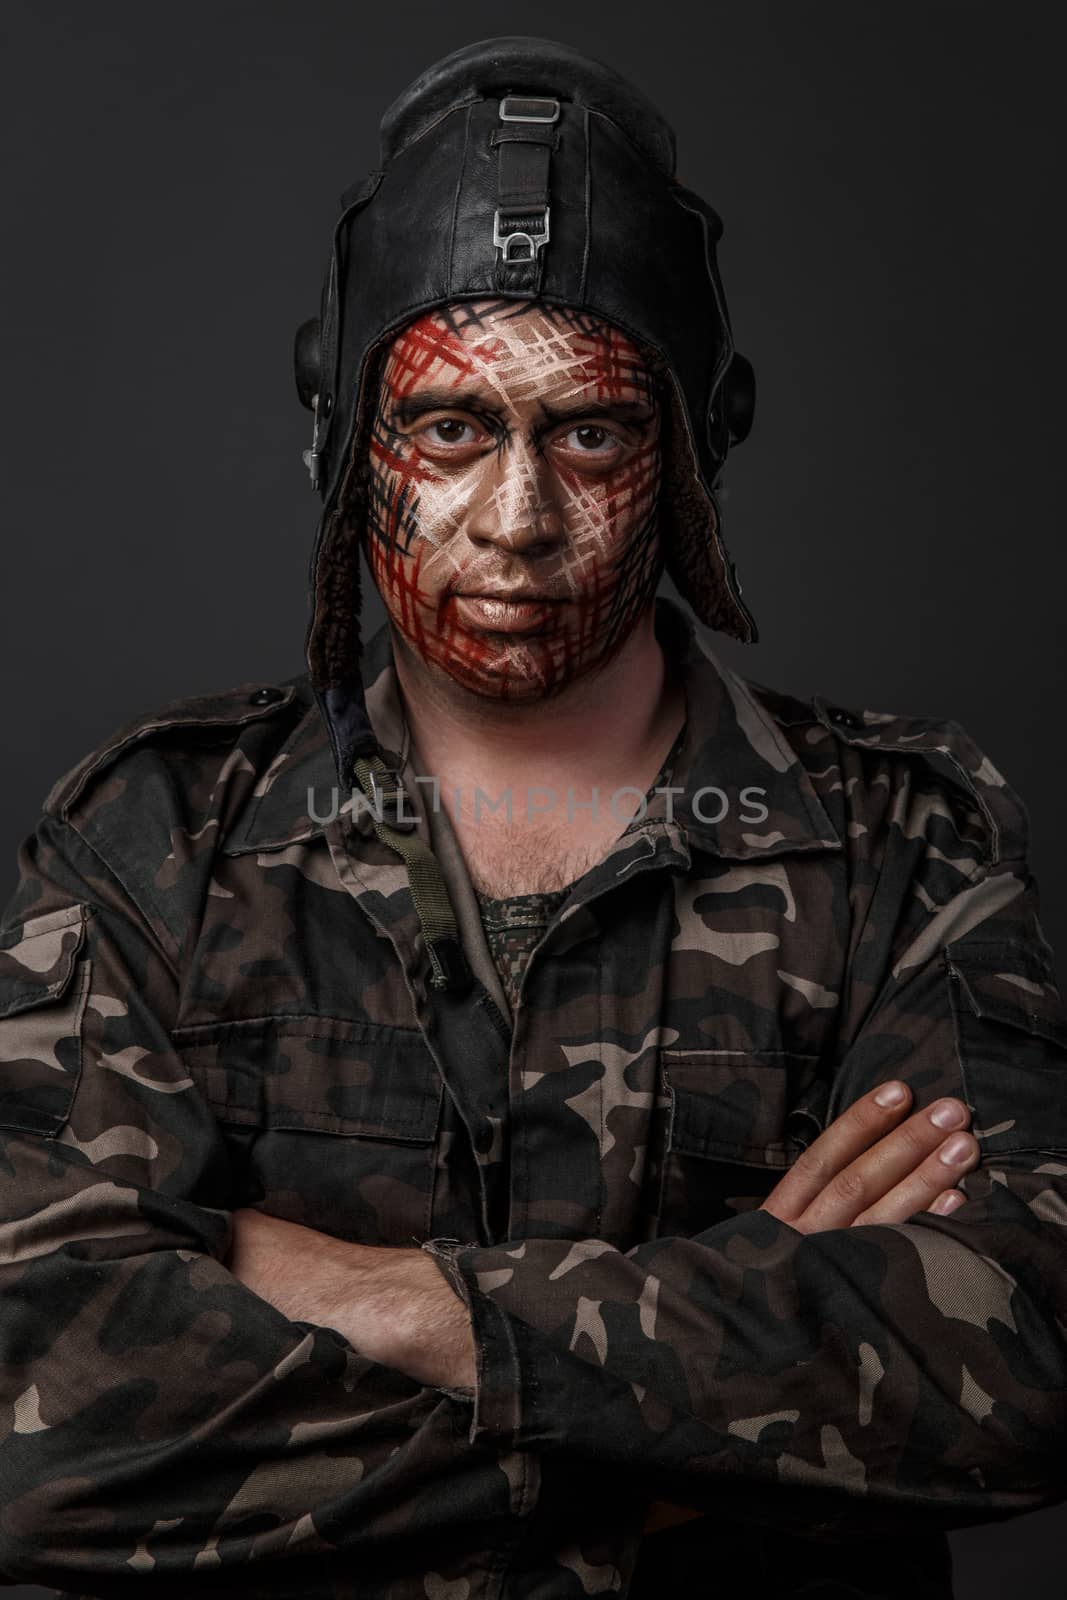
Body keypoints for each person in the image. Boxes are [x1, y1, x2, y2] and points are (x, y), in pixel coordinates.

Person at [0, 34, 1064, 1600]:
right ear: (346, 441)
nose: (517, 519)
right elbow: (33, 1438)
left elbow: (1028, 1358)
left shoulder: (903, 845)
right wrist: (710, 1397)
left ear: (694, 453)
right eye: (449, 430)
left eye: (592, 434)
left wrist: (413, 1306)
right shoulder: (157, 839)